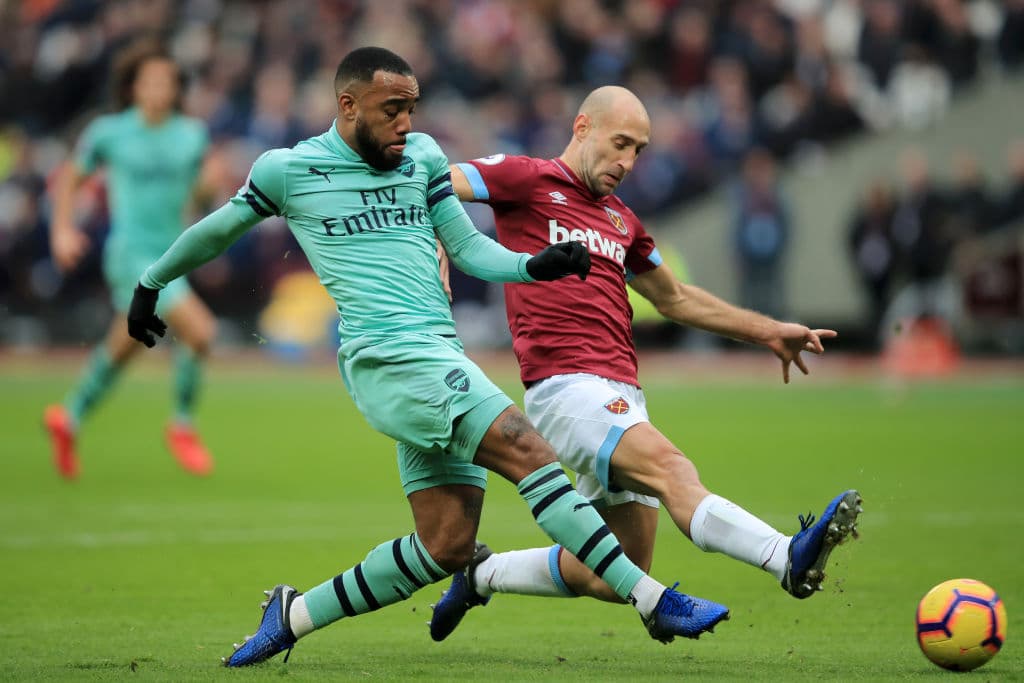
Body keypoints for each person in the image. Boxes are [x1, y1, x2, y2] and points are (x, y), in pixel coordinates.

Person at [124, 48, 731, 668]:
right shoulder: (290, 170)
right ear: (347, 105)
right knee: (526, 446)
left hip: (439, 354)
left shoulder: (422, 158)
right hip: (388, 358)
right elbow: (217, 230)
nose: (405, 124)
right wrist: (150, 285)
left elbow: (468, 247)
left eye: (411, 108)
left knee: (446, 545)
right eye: (392, 110)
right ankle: (652, 598)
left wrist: (532, 266)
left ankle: (292, 613)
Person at [429, 86, 862, 642]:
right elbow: (433, 182)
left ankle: (481, 575)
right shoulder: (526, 178)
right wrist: (440, 241)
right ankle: (785, 557)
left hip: (622, 393)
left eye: (638, 151)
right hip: (566, 391)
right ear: (582, 128)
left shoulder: (622, 220)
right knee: (672, 469)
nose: (628, 162)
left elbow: (675, 297)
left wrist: (768, 330)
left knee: (610, 571)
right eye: (620, 144)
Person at [44, 41, 216, 479]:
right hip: (130, 254)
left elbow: (200, 197)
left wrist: (211, 188)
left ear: (177, 88)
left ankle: (71, 415)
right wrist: (62, 230)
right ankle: (182, 425)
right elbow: (70, 178)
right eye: (149, 80)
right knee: (200, 331)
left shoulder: (192, 136)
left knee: (125, 346)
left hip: (171, 254)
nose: (158, 88)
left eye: (167, 81)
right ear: (134, 87)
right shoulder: (109, 132)